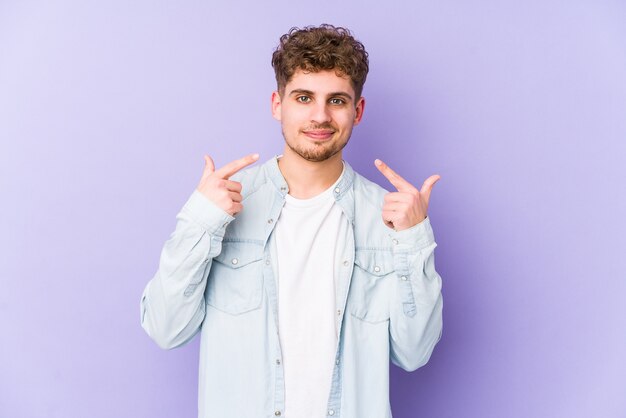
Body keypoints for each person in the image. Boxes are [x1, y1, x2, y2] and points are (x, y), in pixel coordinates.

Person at [140, 24, 443, 418]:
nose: (320, 116)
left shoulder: (388, 217)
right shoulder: (224, 205)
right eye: (304, 97)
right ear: (277, 104)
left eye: (336, 100)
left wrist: (414, 240)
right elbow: (165, 329)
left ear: (358, 110)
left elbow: (414, 353)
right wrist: (200, 220)